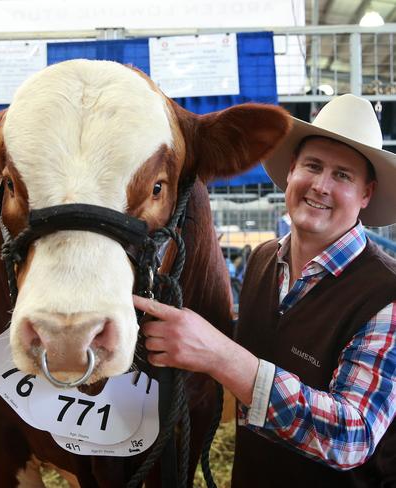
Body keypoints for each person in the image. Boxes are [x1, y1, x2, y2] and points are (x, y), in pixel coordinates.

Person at [134, 94, 396, 487]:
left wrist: (220, 357)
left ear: (366, 194)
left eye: (343, 175)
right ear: (291, 172)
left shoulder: (386, 294)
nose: (321, 186)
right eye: (313, 166)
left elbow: (352, 435)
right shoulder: (262, 260)